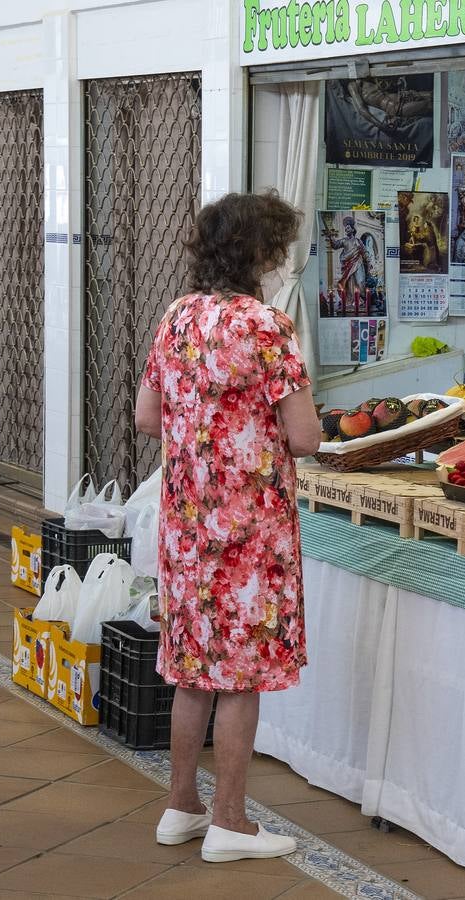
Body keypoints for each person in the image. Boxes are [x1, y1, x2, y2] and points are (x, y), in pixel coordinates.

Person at [134, 191, 321, 864]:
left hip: (186, 523)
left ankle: (179, 807)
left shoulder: (178, 316)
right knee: (239, 675)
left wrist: (204, 429)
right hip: (250, 531)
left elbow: (147, 417)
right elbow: (304, 437)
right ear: (262, 254)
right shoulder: (267, 326)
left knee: (193, 670)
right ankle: (231, 822)